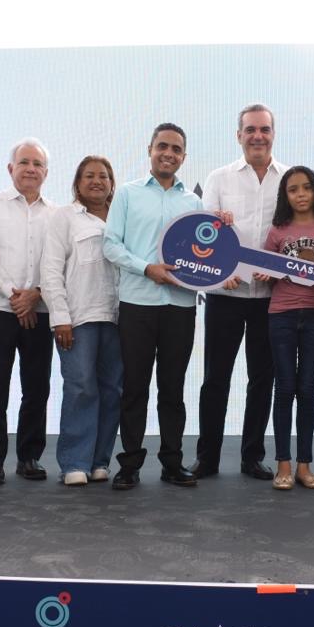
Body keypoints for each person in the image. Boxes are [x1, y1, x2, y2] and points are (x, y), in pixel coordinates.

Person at [102, 123, 202, 490]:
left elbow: (205, 253)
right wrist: (147, 268)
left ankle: (172, 463)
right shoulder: (127, 194)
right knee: (134, 388)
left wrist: (222, 228)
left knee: (172, 389)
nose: (168, 154)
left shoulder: (194, 203)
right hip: (138, 303)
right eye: (163, 146)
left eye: (176, 149)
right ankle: (129, 464)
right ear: (150, 150)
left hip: (180, 306)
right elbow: (110, 245)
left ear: (183, 157)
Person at [192, 104, 288, 481]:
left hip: (271, 298)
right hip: (224, 296)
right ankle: (207, 458)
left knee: (262, 380)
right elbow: (204, 235)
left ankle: (252, 457)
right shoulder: (219, 178)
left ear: (273, 134)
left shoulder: (289, 179)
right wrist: (221, 271)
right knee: (216, 378)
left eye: (264, 129)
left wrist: (279, 269)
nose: (257, 136)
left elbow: (294, 234)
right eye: (250, 130)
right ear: (238, 135)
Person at [0, 138, 56, 485]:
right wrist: (16, 297)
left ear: (46, 172)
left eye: (37, 164)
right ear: (11, 168)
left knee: (37, 388)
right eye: (24, 162)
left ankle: (29, 457)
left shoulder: (57, 215)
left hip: (41, 310)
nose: (30, 169)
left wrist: (35, 295)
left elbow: (57, 264)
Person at [41, 156, 122, 486]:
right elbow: (50, 270)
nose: (97, 181)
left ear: (112, 184)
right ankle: (74, 462)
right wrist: (60, 317)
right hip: (78, 318)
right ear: (77, 183)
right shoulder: (65, 217)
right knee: (81, 387)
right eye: (89, 176)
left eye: (103, 176)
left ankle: (100, 460)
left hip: (118, 317)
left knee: (113, 390)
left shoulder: (122, 216)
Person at [263, 166, 314, 490]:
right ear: (285, 196)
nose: (300, 194)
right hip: (281, 314)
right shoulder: (277, 231)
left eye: (306, 188)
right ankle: (283, 464)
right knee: (284, 388)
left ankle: (304, 466)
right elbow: (267, 273)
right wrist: (268, 273)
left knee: (307, 389)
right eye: (293, 189)